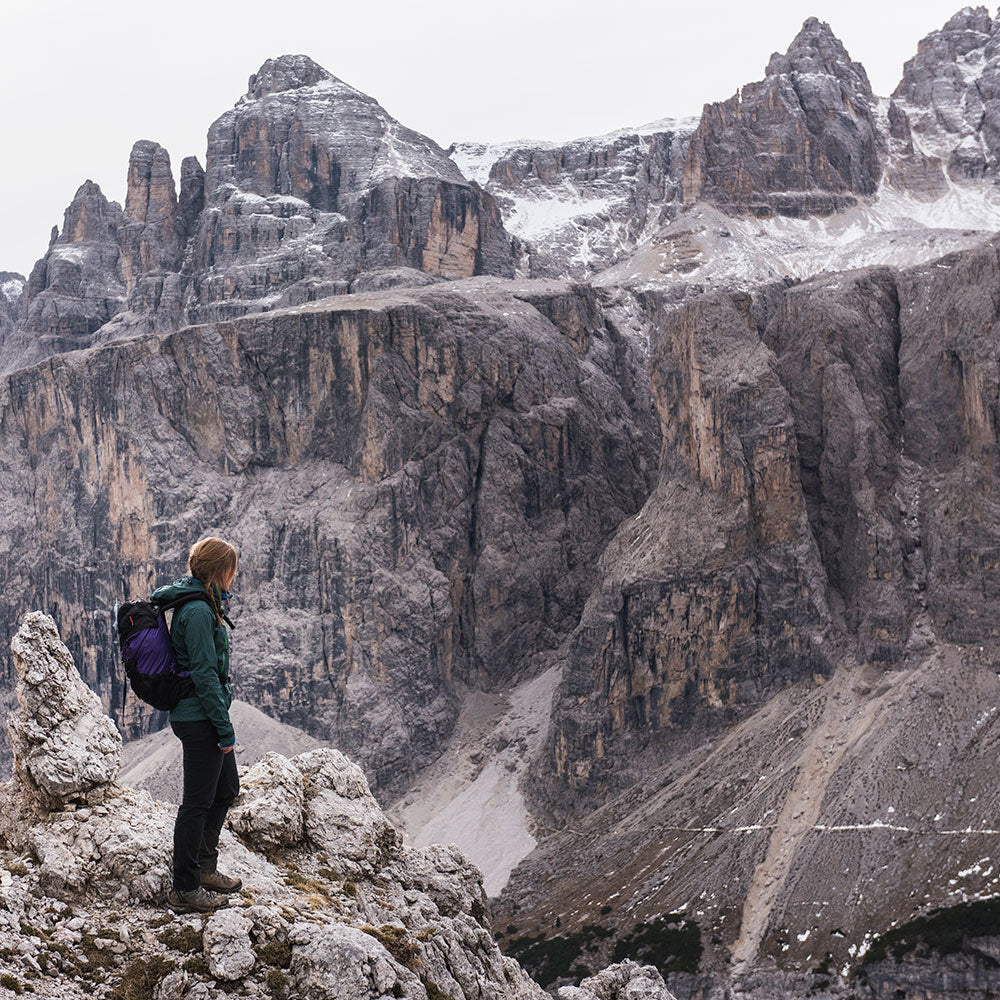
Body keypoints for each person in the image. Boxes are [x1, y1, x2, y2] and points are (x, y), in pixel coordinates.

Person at [152, 536, 243, 913]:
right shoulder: (200, 613)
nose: (235, 576)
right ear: (221, 571)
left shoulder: (203, 603)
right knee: (196, 803)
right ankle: (185, 887)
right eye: (232, 570)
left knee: (226, 790)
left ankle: (204, 868)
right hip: (200, 717)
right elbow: (205, 675)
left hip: (202, 712)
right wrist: (224, 731)